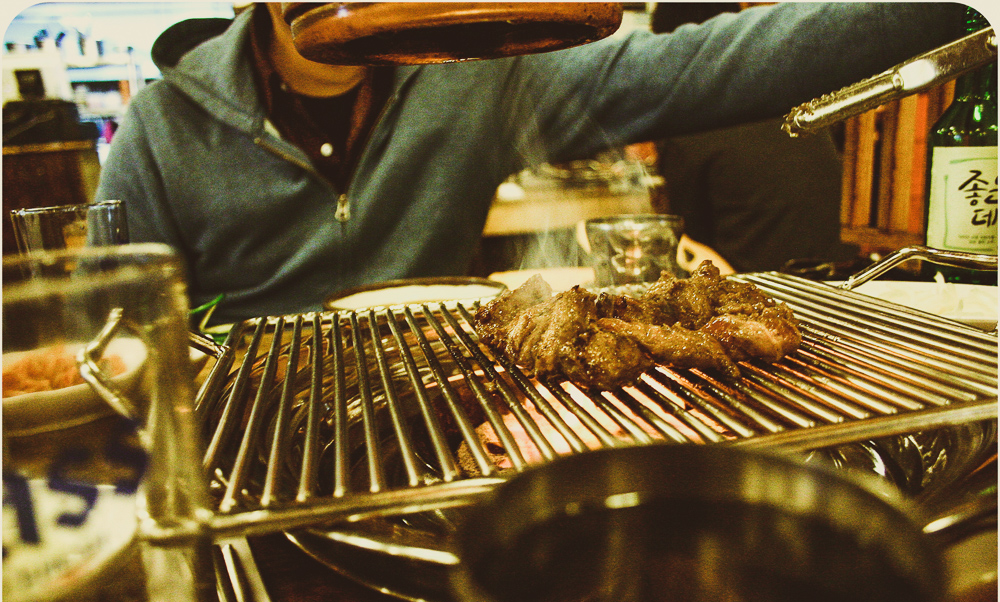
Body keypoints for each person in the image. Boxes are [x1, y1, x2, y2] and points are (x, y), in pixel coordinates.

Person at [93, 2, 967, 324]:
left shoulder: (471, 74)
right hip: (250, 424)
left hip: (431, 399)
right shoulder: (163, 125)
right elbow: (117, 328)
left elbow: (707, 64)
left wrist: (946, 9)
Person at [650, 2, 854, 273]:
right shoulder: (786, 99)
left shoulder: (692, 121)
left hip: (763, 286)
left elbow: (684, 238)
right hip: (842, 277)